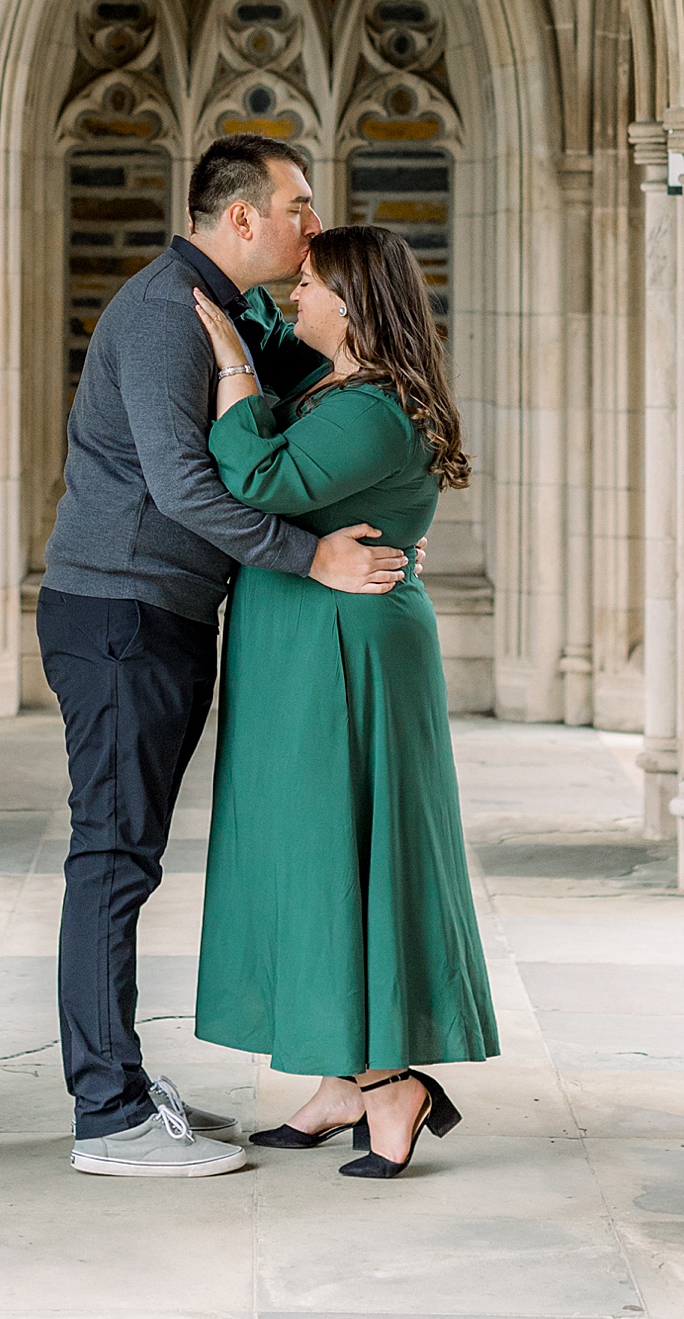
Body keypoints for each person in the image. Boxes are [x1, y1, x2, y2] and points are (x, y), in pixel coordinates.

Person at [37, 135, 409, 1177]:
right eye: (298, 203)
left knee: (129, 853)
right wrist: (309, 559)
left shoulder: (229, 310)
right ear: (240, 217)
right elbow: (184, 487)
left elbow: (314, 394)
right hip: (120, 613)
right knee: (112, 855)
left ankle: (117, 1080)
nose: (313, 224)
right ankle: (107, 1113)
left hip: (156, 611)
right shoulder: (167, 314)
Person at [191, 223, 499, 1178]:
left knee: (343, 847)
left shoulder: (372, 410)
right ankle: (338, 1078)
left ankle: (390, 1085)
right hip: (300, 642)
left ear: (356, 306)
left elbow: (259, 475)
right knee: (303, 850)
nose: (298, 297)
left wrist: (235, 369)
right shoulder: (334, 381)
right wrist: (244, 304)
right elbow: (267, 325)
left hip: (347, 653)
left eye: (314, 285)